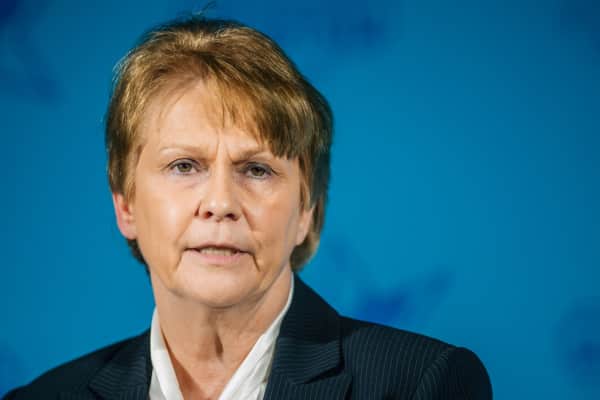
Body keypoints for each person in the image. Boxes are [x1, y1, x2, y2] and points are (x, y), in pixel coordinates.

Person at [4, 15, 492, 400]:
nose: (220, 203)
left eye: (257, 170)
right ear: (125, 204)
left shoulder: (420, 384)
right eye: (184, 166)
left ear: (307, 210)